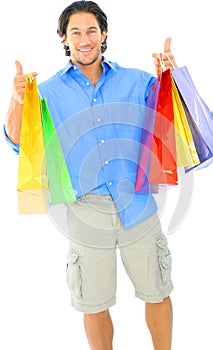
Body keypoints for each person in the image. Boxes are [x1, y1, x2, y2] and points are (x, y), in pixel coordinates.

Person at [4, 1, 178, 349]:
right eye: (76, 32)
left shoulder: (136, 80)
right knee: (93, 303)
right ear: (65, 39)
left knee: (156, 291)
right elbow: (17, 141)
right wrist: (17, 101)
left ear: (104, 35)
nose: (84, 39)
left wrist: (170, 76)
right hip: (85, 207)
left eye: (91, 31)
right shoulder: (47, 91)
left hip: (138, 202)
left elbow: (169, 119)